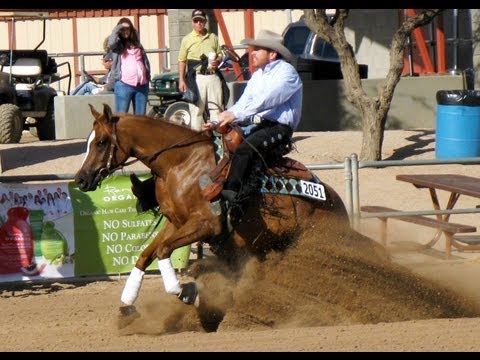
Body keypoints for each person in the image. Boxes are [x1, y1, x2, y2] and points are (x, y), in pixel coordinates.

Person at [203, 29, 303, 205]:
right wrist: (217, 120)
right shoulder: (258, 75)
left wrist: (235, 114)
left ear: (272, 54)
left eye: (257, 49)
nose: (252, 53)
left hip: (279, 128)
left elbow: (267, 100)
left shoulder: (287, 73)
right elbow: (242, 103)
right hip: (260, 126)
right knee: (226, 146)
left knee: (245, 149)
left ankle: (234, 196)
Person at [178, 9, 225, 131]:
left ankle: (218, 139)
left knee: (217, 108)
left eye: (201, 21)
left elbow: (219, 54)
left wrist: (218, 61)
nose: (199, 23)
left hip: (213, 76)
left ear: (205, 22)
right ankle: (197, 138)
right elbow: (182, 60)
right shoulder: (187, 39)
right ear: (192, 22)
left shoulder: (213, 37)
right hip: (197, 78)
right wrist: (181, 80)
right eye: (196, 21)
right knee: (197, 110)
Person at [107, 17, 151, 115]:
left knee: (140, 120)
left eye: (128, 29)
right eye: (123, 29)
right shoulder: (117, 45)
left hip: (141, 86)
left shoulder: (138, 44)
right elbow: (111, 43)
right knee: (121, 118)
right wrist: (119, 27)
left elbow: (145, 62)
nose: (125, 31)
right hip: (124, 85)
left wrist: (147, 78)